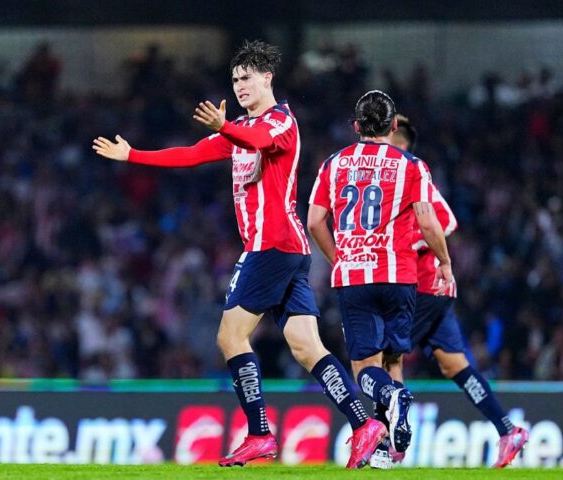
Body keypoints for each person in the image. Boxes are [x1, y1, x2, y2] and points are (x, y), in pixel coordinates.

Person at [92, 40, 384, 469]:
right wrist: (133, 154)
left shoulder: (280, 123)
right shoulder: (241, 131)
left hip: (272, 245)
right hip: (289, 251)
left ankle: (260, 434)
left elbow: (256, 137)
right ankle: (363, 425)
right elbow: (192, 154)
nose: (240, 85)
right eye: (234, 79)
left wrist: (226, 127)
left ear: (267, 77)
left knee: (230, 337)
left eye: (247, 77)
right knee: (306, 347)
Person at [369, 114, 529, 469]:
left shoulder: (412, 173)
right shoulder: (388, 179)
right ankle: (507, 429)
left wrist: (407, 242)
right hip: (434, 291)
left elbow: (448, 220)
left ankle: (391, 444)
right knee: (453, 364)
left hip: (424, 286)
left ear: (400, 144)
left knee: (385, 356)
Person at [307, 91, 453, 461]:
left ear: (356, 127)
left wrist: (341, 256)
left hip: (354, 277)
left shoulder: (333, 164)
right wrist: (445, 262)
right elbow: (427, 219)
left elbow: (314, 222)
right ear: (392, 125)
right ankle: (388, 449)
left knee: (365, 369)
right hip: (400, 275)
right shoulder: (412, 165)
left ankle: (389, 410)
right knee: (393, 361)